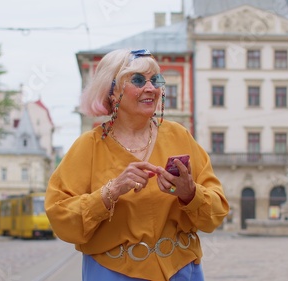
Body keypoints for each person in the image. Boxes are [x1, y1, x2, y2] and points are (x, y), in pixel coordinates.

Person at [44, 49, 229, 281]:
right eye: (139, 80)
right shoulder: (88, 146)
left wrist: (190, 193)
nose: (151, 88)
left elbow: (217, 212)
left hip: (180, 270)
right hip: (112, 272)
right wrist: (110, 191)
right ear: (111, 91)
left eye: (156, 80)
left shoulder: (179, 136)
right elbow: (60, 216)